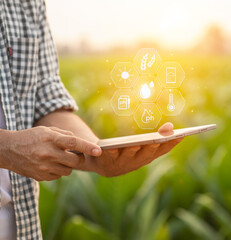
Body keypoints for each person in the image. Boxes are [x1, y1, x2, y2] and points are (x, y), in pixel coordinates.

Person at [0, 1, 183, 239]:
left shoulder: (27, 3)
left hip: (19, 226)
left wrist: (97, 153)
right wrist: (6, 148)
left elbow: (46, 100)